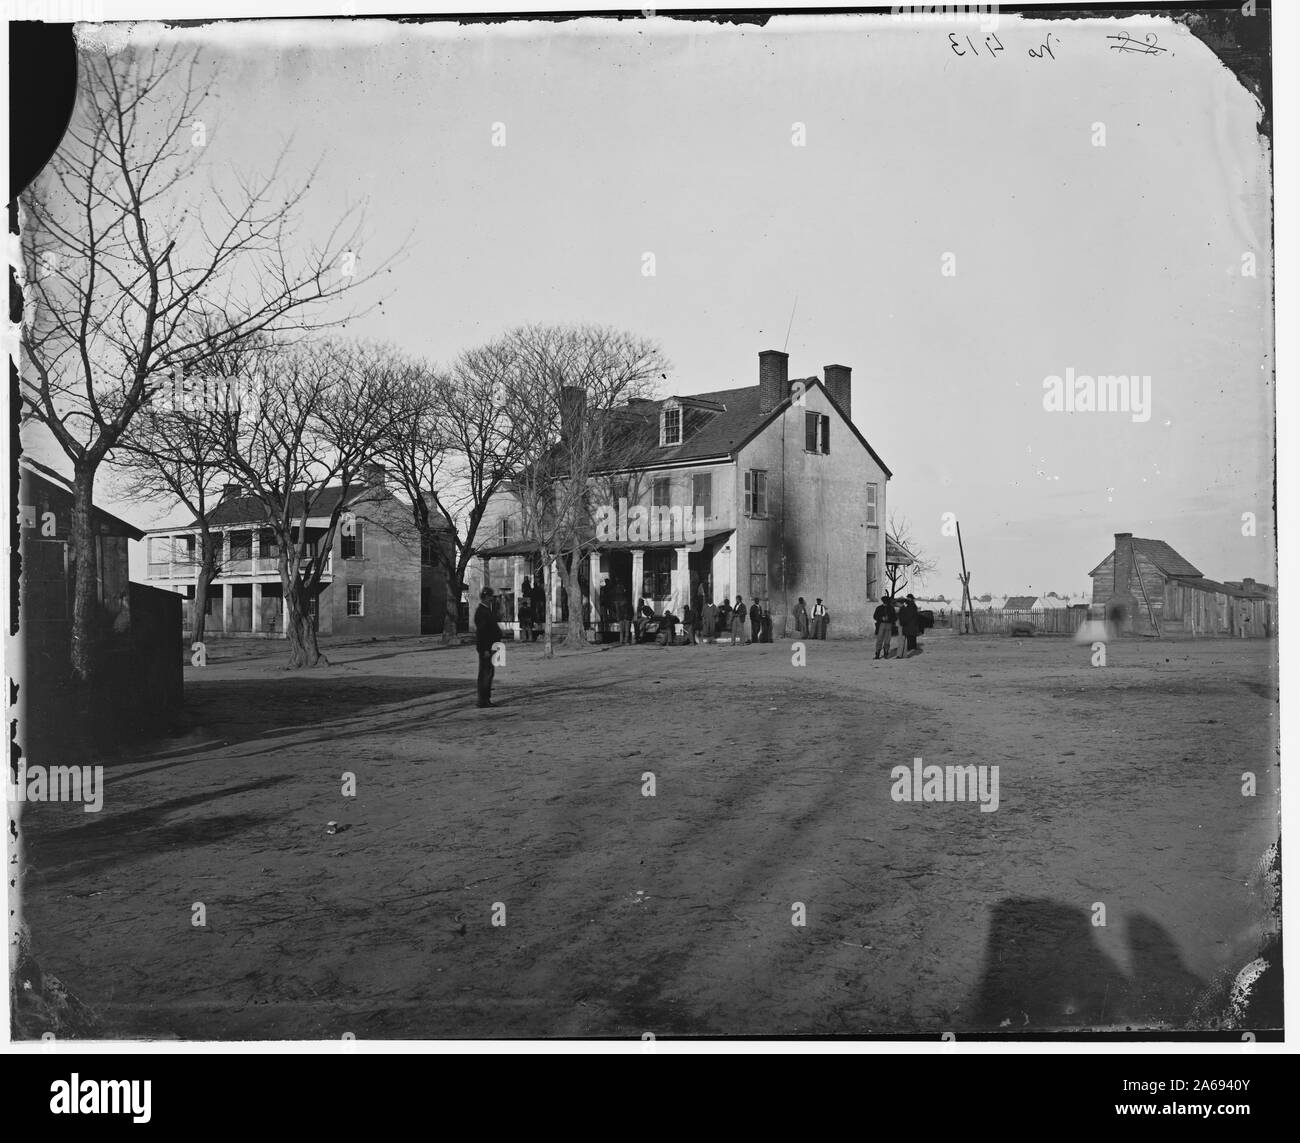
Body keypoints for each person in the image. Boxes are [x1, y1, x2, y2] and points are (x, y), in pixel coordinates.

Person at [474, 587, 503, 708]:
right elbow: (482, 632)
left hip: (491, 646)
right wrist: (485, 649)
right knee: (486, 673)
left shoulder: (485, 610)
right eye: (490, 597)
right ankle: (483, 700)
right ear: (486, 597)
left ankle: (485, 699)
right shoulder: (482, 611)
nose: (492, 599)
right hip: (487, 647)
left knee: (489, 673)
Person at [872, 595, 895, 659]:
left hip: (887, 624)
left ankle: (883, 654)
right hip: (882, 624)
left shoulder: (890, 608)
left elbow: (894, 618)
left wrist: (888, 618)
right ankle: (879, 654)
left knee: (885, 640)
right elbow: (875, 616)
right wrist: (881, 618)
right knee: (881, 640)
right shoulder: (880, 608)